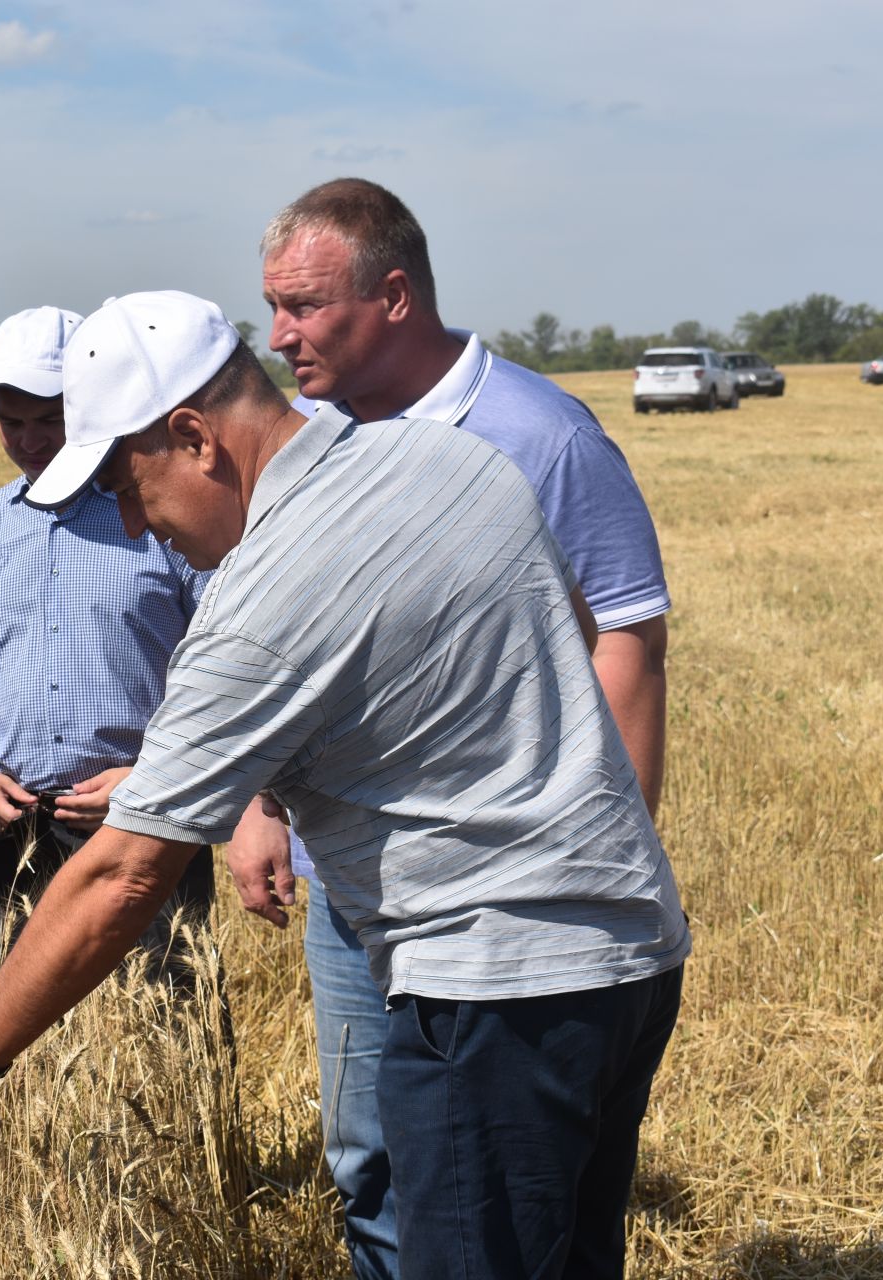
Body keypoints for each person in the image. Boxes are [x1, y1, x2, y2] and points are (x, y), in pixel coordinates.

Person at [0, 291, 690, 1280]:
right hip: (631, 954)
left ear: (194, 436)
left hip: (491, 994)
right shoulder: (446, 459)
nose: (131, 520)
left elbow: (126, 872)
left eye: (128, 484)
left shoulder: (261, 603)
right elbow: (572, 625)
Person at [229, 177, 675, 1277]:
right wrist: (257, 803)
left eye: (303, 306)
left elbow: (628, 640)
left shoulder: (541, 434)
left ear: (393, 296)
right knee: (373, 1148)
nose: (279, 336)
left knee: (500, 1180)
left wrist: (592, 843)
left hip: (499, 898)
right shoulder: (317, 447)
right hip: (353, 876)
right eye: (271, 307)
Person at [0, 305, 217, 982]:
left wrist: (151, 780)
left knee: (170, 1037)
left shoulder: (161, 517)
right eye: (11, 422)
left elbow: (224, 675)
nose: (29, 440)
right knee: (15, 1052)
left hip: (146, 819)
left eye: (48, 420)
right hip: (14, 830)